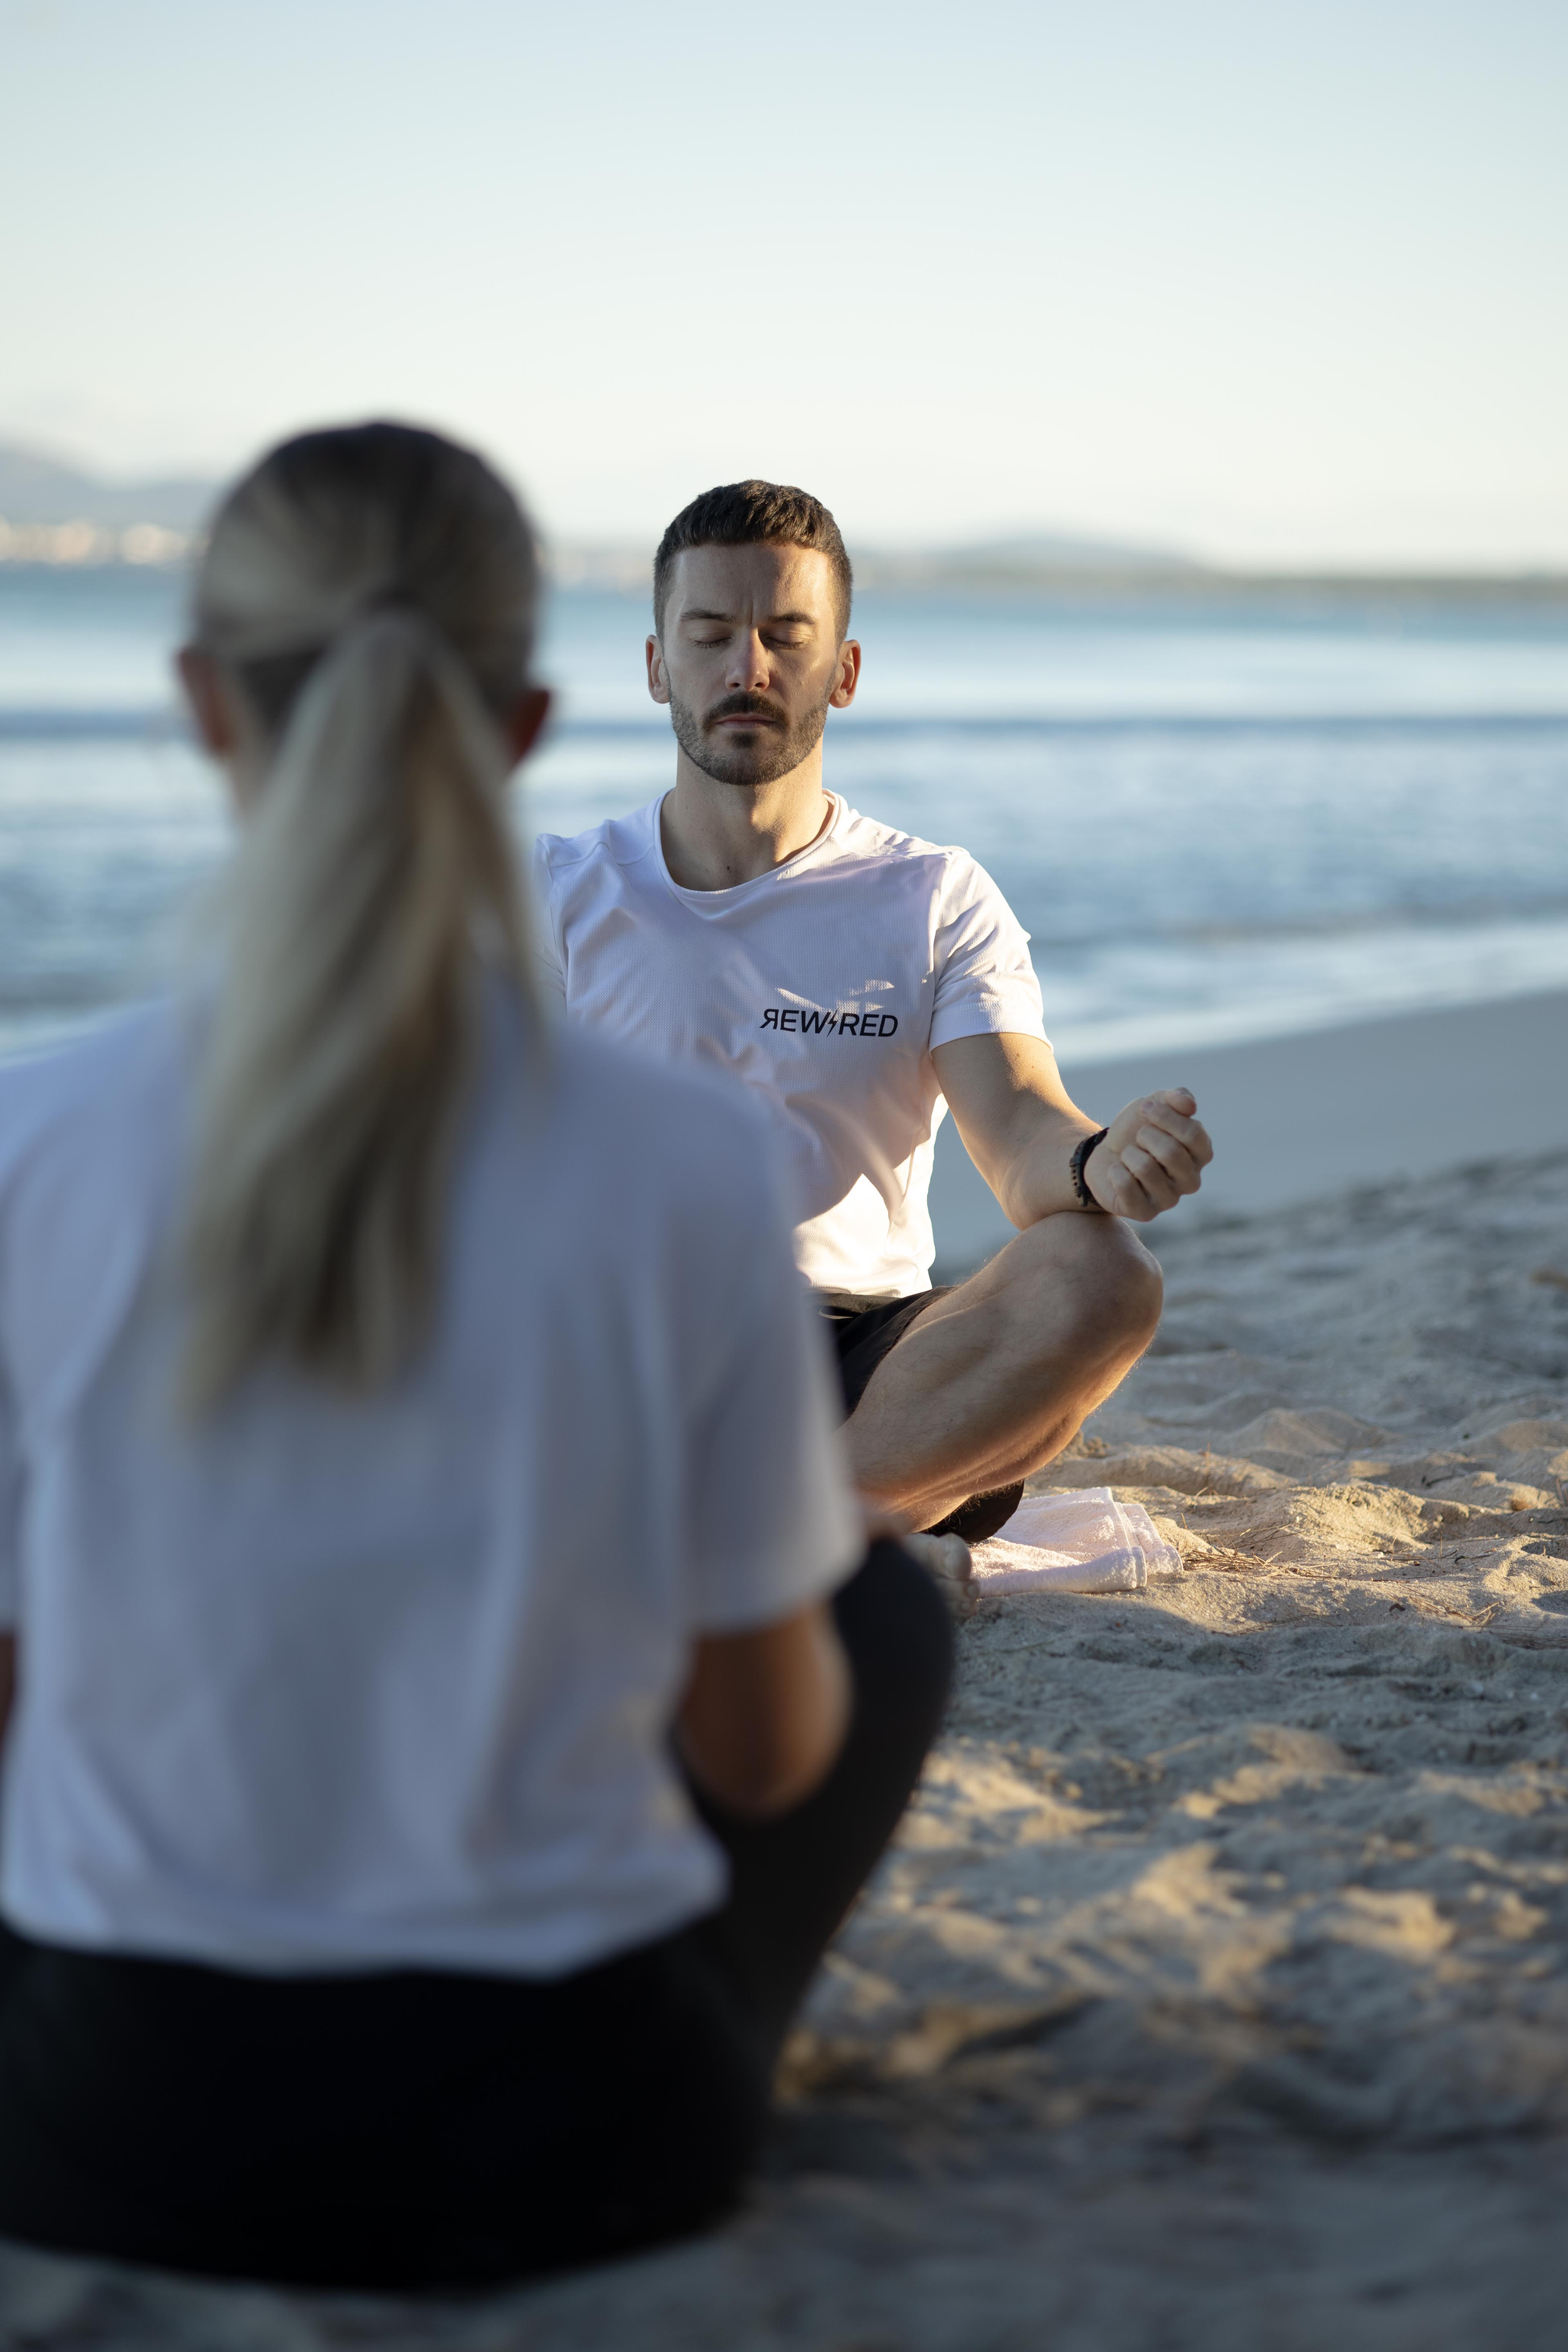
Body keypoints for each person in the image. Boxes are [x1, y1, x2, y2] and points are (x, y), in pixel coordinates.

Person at [0, 425, 951, 2290]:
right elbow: (761, 1759)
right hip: (567, 2137)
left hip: (99, 2132)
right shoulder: (681, 1173)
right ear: (518, 721)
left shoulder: (32, 1142)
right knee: (887, 1614)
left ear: (205, 705)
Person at [533, 481, 1214, 1546]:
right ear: (658, 663)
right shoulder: (557, 895)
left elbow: (1025, 1128)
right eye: (709, 634)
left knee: (1104, 1275)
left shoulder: (933, 895)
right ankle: (820, 1526)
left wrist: (1098, 1163)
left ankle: (767, 1534)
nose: (745, 668)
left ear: (841, 671)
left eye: (784, 637)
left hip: (868, 1361)